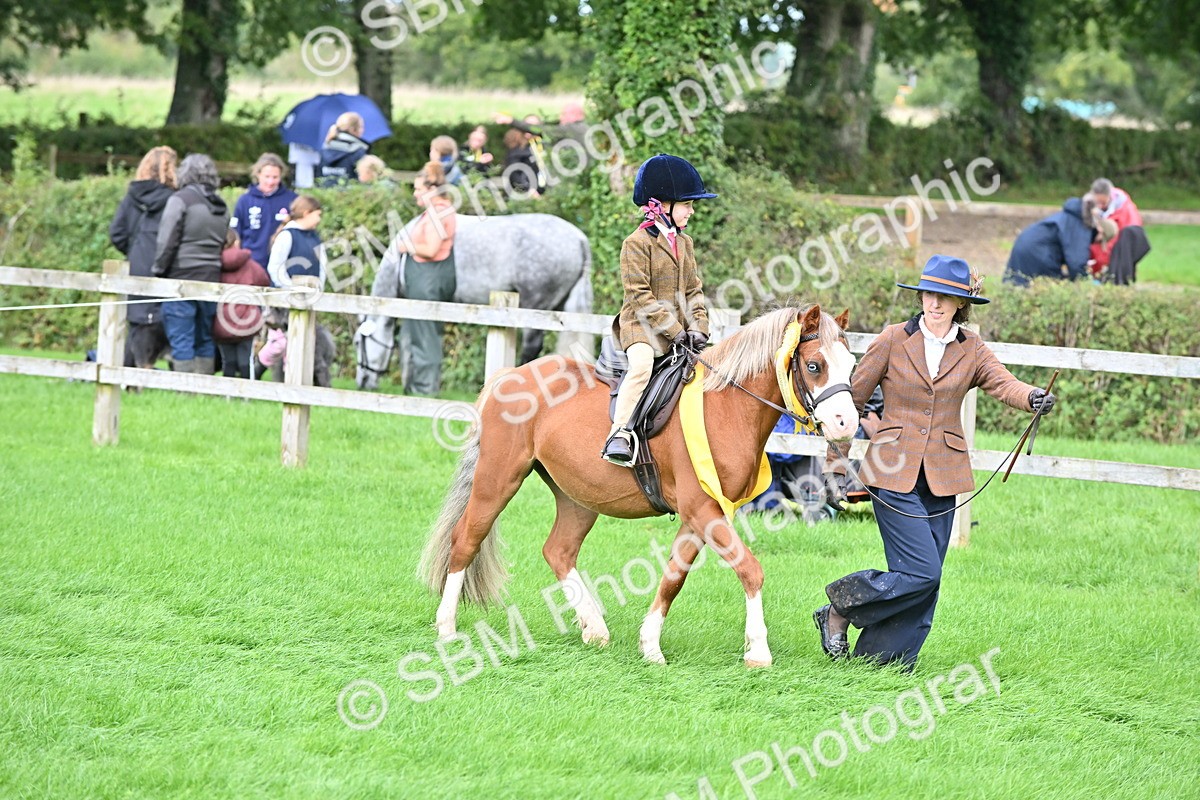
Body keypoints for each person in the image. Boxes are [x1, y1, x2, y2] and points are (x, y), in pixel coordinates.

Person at [814, 255, 1057, 671]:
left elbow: (1004, 383)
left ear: (961, 303)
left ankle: (882, 663)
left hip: (944, 476)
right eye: (929, 294)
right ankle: (840, 608)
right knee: (923, 573)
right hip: (892, 472)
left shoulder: (972, 348)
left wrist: (1032, 396)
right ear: (921, 296)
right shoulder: (892, 339)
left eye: (945, 297)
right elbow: (850, 406)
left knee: (923, 580)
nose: (935, 303)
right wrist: (836, 467)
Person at [601, 153, 716, 465]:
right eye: (687, 204)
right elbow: (639, 296)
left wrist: (698, 328)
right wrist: (675, 330)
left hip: (679, 333)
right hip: (641, 328)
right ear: (663, 205)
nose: (692, 211)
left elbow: (693, 290)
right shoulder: (636, 243)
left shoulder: (685, 242)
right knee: (641, 367)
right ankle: (619, 433)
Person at [153, 153, 230, 374]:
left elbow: (166, 239)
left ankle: (184, 387)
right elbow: (224, 240)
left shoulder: (180, 200)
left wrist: (158, 269)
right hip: (211, 277)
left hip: (181, 277)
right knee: (205, 336)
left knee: (181, 337)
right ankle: (203, 384)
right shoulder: (221, 205)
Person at [391, 162, 458, 396]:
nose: (415, 193)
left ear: (432, 189)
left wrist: (406, 245)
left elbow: (430, 249)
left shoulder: (438, 213)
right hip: (423, 278)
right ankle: (415, 386)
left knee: (426, 336)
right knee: (418, 334)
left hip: (428, 279)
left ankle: (425, 391)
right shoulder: (436, 211)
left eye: (419, 189)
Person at [109, 145, 177, 370]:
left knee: (137, 323)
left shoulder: (132, 196)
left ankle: (130, 375)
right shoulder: (174, 199)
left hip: (137, 264)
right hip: (166, 266)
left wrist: (135, 251)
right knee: (167, 323)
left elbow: (117, 232)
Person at [214, 230, 269, 379]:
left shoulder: (215, 264)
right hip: (246, 322)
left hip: (221, 322)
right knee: (246, 361)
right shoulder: (250, 265)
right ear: (237, 242)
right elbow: (265, 281)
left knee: (228, 361)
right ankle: (247, 391)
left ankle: (227, 391)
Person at [1003, 197, 1094, 286]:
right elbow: (1076, 264)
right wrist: (1089, 284)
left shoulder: (1064, 216)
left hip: (1025, 246)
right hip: (1038, 253)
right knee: (1042, 288)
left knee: (1017, 284)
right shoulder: (1076, 224)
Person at [230, 153, 298, 271]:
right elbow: (235, 234)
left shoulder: (292, 200)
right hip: (251, 264)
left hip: (282, 265)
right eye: (267, 176)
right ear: (258, 174)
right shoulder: (245, 200)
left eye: (275, 177)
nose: (270, 182)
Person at [1084, 178, 1150, 285]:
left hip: (1114, 259)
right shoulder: (1088, 209)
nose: (1100, 206)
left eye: (1103, 203)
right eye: (1097, 203)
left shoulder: (1126, 211)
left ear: (1110, 196)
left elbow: (1125, 244)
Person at [266, 196, 326, 288]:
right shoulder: (287, 235)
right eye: (317, 215)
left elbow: (322, 267)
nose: (319, 219)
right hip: (285, 294)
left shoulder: (315, 238)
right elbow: (275, 267)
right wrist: (290, 289)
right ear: (306, 213)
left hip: (311, 294)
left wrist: (319, 288)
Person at [317, 112, 369, 186]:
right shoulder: (358, 152)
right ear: (353, 129)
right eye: (361, 127)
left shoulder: (323, 150)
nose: (363, 130)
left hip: (323, 193)